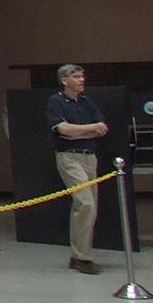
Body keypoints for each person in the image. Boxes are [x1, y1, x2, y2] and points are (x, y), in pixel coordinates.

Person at [46, 63, 107, 274]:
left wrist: (77, 132)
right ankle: (83, 257)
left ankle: (79, 254)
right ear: (64, 80)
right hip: (69, 157)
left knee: (90, 208)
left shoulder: (86, 102)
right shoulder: (56, 102)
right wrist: (88, 130)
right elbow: (62, 130)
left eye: (82, 76)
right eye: (77, 76)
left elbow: (101, 128)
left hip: (90, 157)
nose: (82, 80)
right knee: (85, 203)